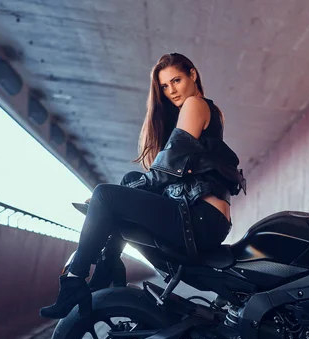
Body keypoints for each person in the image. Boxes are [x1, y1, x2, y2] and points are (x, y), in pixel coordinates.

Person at [40, 53, 246, 319]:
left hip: (201, 219)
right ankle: (109, 270)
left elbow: (166, 169)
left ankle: (74, 280)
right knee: (127, 181)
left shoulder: (195, 104)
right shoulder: (209, 111)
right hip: (207, 218)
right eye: (164, 86)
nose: (171, 90)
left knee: (104, 195)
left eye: (177, 80)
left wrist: (110, 201)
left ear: (193, 75)